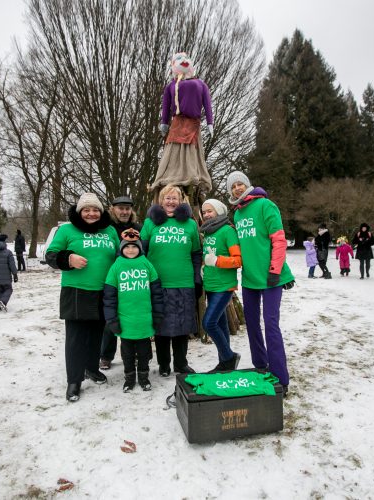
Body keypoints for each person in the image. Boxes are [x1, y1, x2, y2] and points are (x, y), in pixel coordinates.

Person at [46, 193, 120, 402]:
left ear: (101, 212)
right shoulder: (67, 229)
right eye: (86, 210)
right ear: (80, 212)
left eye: (95, 209)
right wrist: (68, 258)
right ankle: (74, 380)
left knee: (97, 333)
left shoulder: (110, 230)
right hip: (76, 290)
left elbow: (119, 254)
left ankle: (91, 368)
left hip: (104, 290)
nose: (91, 213)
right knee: (76, 337)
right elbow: (50, 254)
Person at [227, 171, 295, 397]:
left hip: (271, 277)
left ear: (248, 185)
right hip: (250, 279)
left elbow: (278, 239)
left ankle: (280, 378)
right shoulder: (237, 214)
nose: (237, 188)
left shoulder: (266, 206)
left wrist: (275, 270)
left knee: (271, 324)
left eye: (240, 184)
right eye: (233, 186)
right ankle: (260, 364)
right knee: (253, 324)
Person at [140, 184, 202, 376]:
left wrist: (196, 277)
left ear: (181, 201)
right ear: (161, 200)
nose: (171, 201)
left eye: (175, 198)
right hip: (158, 283)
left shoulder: (190, 224)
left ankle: (181, 364)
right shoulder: (150, 223)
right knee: (161, 327)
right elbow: (140, 252)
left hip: (183, 283)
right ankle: (164, 364)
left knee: (182, 327)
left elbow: (196, 253)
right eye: (167, 198)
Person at [103, 233, 163, 392]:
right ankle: (129, 379)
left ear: (139, 248)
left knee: (144, 353)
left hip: (144, 320)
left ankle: (144, 377)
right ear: (122, 248)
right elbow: (109, 297)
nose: (130, 250)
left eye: (134, 246)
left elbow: (157, 293)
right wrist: (112, 320)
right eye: (127, 246)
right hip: (125, 322)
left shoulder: (147, 264)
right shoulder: (116, 266)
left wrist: (157, 315)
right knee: (127, 354)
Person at [151, 52, 213, 195]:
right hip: (177, 123)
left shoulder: (200, 84)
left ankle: (191, 174)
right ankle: (172, 174)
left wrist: (210, 122)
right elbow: (165, 106)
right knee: (173, 149)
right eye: (179, 59)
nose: (183, 61)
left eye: (186, 58)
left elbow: (207, 104)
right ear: (173, 64)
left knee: (192, 149)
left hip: (193, 123)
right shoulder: (171, 85)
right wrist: (164, 123)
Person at [100, 195, 143, 370]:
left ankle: (135, 354)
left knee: (133, 317)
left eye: (127, 208)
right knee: (110, 319)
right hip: (112, 278)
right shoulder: (107, 228)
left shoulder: (138, 228)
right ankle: (106, 355)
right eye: (121, 208)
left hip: (134, 280)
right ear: (113, 209)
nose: (124, 212)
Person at [200, 199, 242, 372]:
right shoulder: (208, 233)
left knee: (208, 323)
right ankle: (225, 365)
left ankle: (229, 357)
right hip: (210, 285)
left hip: (224, 286)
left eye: (210, 211)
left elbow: (238, 260)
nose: (206, 214)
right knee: (221, 324)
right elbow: (208, 256)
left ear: (219, 211)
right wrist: (205, 266)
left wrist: (217, 261)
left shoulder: (227, 231)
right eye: (204, 212)